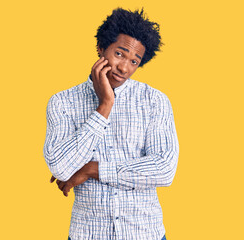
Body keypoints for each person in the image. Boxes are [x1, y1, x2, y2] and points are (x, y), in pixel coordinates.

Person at [43, 7, 179, 240]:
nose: (125, 67)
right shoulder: (63, 102)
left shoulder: (154, 101)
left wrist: (91, 169)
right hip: (88, 234)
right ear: (101, 48)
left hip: (145, 233)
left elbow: (164, 169)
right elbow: (60, 167)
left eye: (134, 61)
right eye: (120, 54)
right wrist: (105, 106)